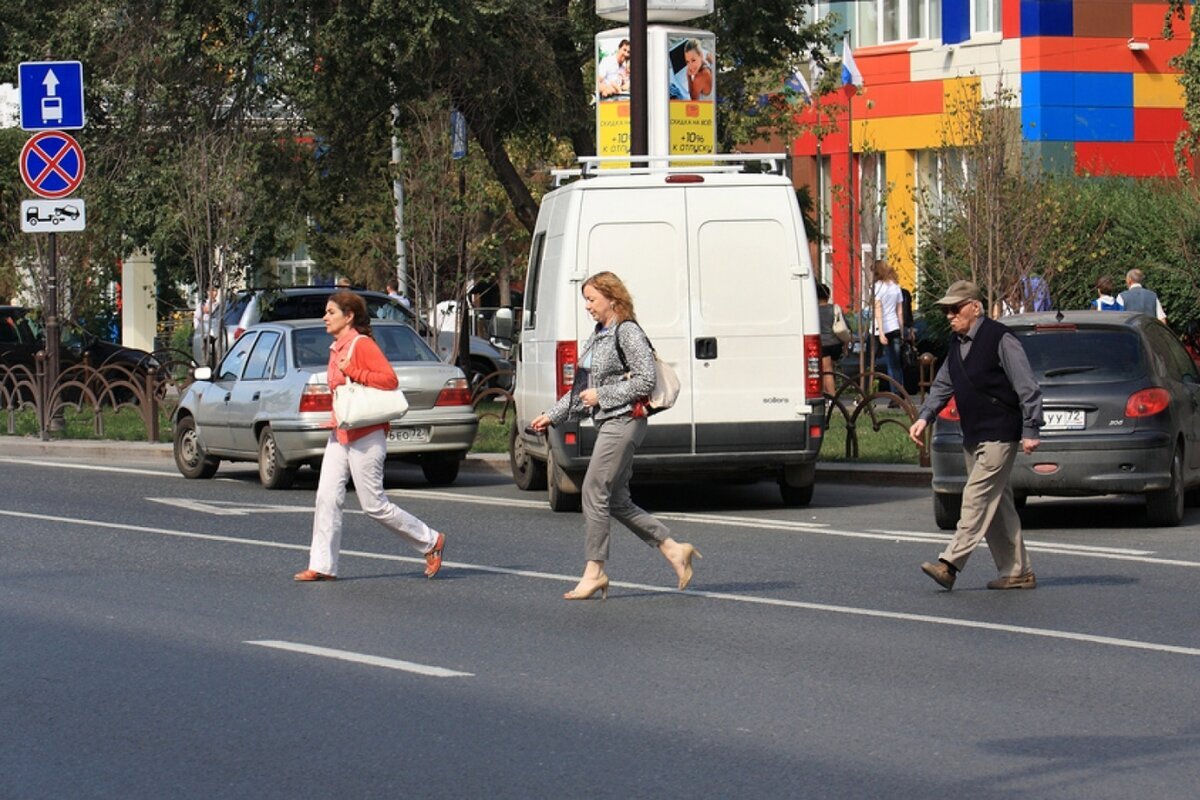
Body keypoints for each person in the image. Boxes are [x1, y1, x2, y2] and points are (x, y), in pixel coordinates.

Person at [529, 271, 701, 600]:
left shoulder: (628, 332)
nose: (588, 307)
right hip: (609, 421)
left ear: (613, 298)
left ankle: (595, 571)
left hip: (625, 421)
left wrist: (602, 396)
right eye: (586, 301)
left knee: (594, 490)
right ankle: (673, 549)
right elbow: (581, 392)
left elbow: (645, 381)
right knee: (618, 501)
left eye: (592, 299)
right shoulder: (597, 336)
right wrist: (550, 416)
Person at [294, 290, 447, 582]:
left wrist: (353, 370)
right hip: (341, 433)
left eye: (331, 312)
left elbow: (389, 380)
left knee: (373, 504)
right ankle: (322, 566)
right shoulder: (336, 346)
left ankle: (430, 541)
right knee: (326, 497)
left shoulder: (361, 345)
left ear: (348, 316)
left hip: (366, 434)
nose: (324, 317)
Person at [907, 280, 1042, 591]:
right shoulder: (957, 344)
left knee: (976, 497)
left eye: (955, 309)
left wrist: (1031, 428)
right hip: (974, 434)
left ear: (975, 307)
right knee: (997, 505)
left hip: (1000, 433)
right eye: (946, 311)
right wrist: (924, 417)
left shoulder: (1000, 338)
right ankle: (1018, 571)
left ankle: (950, 564)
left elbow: (1027, 385)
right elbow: (942, 384)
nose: (949, 316)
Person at [872, 261, 905, 392]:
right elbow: (900, 312)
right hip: (895, 327)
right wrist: (901, 332)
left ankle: (891, 394)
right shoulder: (896, 287)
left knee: (878, 362)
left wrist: (881, 332)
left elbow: (878, 310)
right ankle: (900, 392)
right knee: (896, 363)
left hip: (881, 328)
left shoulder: (877, 287)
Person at [816, 282, 849, 397]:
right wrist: (845, 344)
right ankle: (828, 394)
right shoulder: (835, 308)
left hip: (823, 344)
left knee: (826, 371)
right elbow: (844, 327)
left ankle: (831, 397)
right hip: (836, 344)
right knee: (830, 371)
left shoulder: (813, 311)